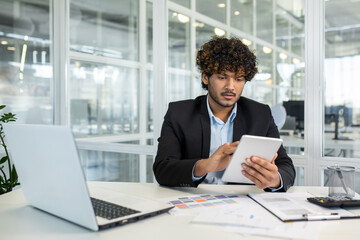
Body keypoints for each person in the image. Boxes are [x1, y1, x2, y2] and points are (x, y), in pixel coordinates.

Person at [153, 36, 295, 192]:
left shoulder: (260, 114)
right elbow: (162, 170)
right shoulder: (179, 113)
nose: (231, 87)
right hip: (194, 200)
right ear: (205, 77)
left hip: (243, 204)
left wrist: (274, 179)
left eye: (239, 79)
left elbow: (286, 167)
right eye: (222, 77)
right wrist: (205, 165)